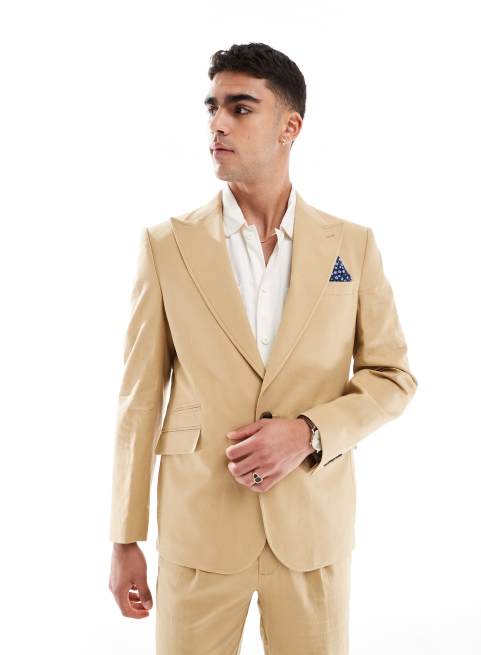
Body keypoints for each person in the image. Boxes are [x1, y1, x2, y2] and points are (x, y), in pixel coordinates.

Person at [108, 41, 418, 655]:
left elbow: (392, 376)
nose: (218, 123)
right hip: (199, 529)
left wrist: (309, 433)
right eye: (213, 107)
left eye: (240, 108)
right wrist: (124, 537)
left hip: (312, 531)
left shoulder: (351, 247)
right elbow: (139, 398)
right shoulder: (166, 246)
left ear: (289, 127)